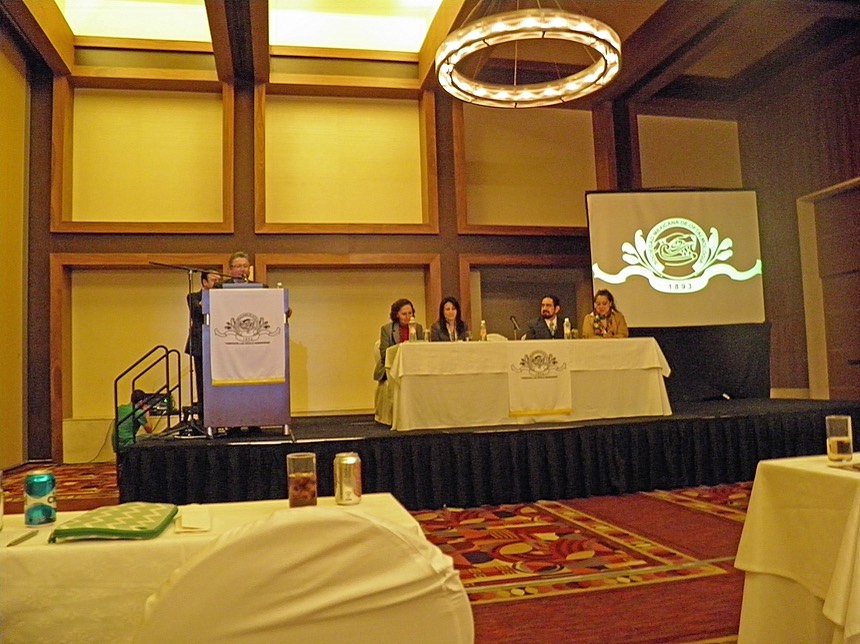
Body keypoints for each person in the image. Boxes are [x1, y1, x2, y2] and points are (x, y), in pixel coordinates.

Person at [184, 269, 222, 418]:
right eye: (214, 280)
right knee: (202, 381)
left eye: (219, 280)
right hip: (201, 343)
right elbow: (198, 311)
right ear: (204, 282)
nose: (217, 283)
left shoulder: (224, 298)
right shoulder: (193, 297)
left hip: (220, 344)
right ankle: (204, 416)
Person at [374, 298, 424, 381]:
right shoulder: (387, 329)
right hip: (393, 367)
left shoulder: (418, 328)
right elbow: (384, 354)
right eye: (404, 314)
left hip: (414, 366)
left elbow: (422, 349)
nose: (408, 317)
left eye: (410, 313)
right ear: (397, 315)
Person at [114, 389, 154, 455]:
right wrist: (146, 412)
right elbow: (149, 430)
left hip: (116, 442)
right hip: (126, 442)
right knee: (150, 438)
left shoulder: (120, 408)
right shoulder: (138, 412)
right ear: (141, 401)